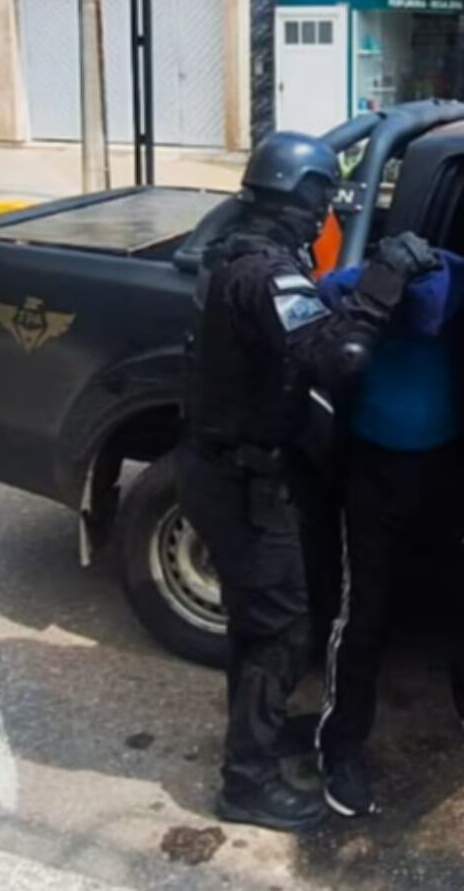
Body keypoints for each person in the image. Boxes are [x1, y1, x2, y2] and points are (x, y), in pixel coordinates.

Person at [178, 131, 436, 831]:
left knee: (258, 620)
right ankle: (245, 782)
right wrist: (385, 277)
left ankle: (256, 735)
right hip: (240, 480)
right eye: (322, 197)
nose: (326, 212)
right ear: (300, 197)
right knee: (281, 630)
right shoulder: (265, 274)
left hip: (230, 468)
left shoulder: (240, 253)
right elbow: (340, 355)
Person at [313, 242, 464, 818]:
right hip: (371, 472)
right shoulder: (360, 296)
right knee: (362, 613)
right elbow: (324, 298)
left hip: (450, 469)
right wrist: (377, 293)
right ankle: (340, 750)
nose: (422, 327)